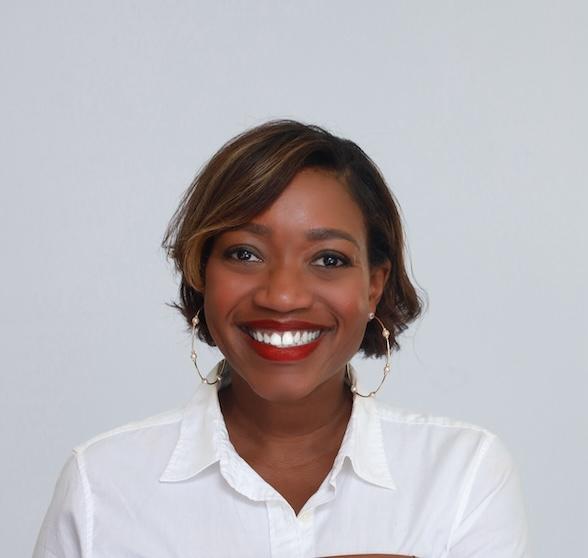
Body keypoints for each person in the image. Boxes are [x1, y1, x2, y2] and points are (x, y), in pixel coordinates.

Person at [33, 120, 530, 558]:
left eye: (329, 259)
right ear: (201, 273)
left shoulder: (462, 475)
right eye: (245, 254)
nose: (283, 296)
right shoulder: (101, 484)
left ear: (374, 286)